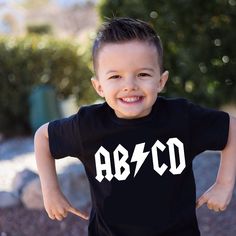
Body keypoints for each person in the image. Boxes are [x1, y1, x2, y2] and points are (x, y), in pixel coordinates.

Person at [34, 17, 236, 236]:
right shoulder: (88, 125)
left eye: (143, 74)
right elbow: (43, 138)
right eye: (115, 76)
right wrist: (51, 190)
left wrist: (224, 184)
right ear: (99, 86)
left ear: (161, 81)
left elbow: (231, 128)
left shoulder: (181, 118)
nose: (129, 86)